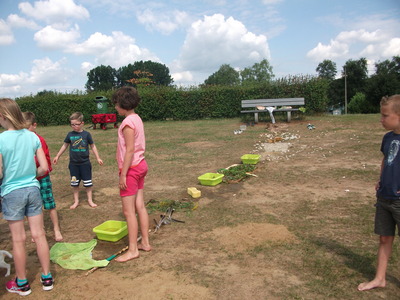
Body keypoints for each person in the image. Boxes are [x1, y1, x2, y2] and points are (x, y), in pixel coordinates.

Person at [0, 98, 54, 295]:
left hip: (12, 192)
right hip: (33, 189)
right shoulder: (33, 137)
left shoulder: (1, 139)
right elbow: (44, 167)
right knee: (39, 235)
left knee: (18, 239)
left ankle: (22, 283)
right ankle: (47, 278)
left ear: (3, 116)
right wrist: (31, 175)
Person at [358, 94, 400, 291]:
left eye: (385, 116)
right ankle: (380, 278)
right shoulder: (388, 137)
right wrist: (381, 179)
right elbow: (386, 160)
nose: (381, 120)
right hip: (384, 196)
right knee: (384, 238)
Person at [112, 87, 151, 262]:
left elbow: (129, 150)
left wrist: (123, 175)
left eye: (116, 104)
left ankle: (133, 249)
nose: (115, 107)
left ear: (123, 104)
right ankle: (146, 243)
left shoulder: (127, 123)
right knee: (140, 206)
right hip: (141, 165)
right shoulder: (137, 118)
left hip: (132, 169)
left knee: (129, 212)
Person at [23, 111, 63, 242]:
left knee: (49, 204)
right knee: (33, 207)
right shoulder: (22, 141)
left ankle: (56, 229)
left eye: (27, 127)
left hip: (42, 177)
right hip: (29, 179)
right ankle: (39, 230)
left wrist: (43, 171)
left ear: (34, 125)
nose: (25, 131)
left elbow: (46, 160)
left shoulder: (40, 140)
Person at [53, 112, 103, 209]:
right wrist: (57, 156)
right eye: (72, 124)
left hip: (85, 164)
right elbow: (65, 145)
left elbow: (92, 146)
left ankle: (90, 200)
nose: (74, 126)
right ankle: (76, 201)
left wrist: (98, 157)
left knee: (88, 183)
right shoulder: (70, 135)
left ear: (82, 123)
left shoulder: (87, 134)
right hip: (73, 164)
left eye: (76, 124)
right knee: (75, 184)